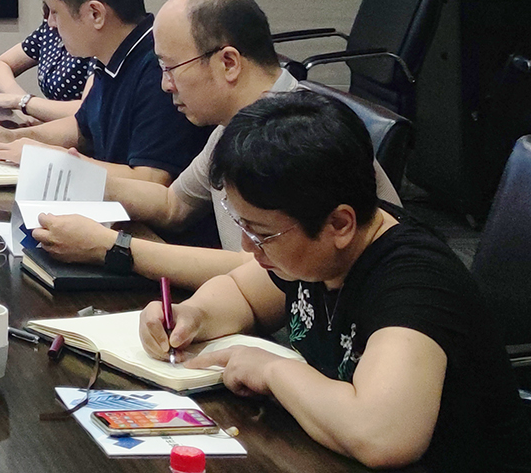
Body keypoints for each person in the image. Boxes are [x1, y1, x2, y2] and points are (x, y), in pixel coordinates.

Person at [141, 92, 531, 470]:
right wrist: (192, 315)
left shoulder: (415, 283)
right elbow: (242, 293)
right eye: (243, 225)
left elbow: (383, 436)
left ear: (340, 224)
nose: (247, 245)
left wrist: (272, 370)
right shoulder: (315, 251)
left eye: (262, 233)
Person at [27, 0, 399, 288]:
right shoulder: (234, 126)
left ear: (228, 63)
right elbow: (174, 205)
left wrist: (111, 247)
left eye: (170, 68)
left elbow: (260, 271)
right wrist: (84, 177)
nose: (165, 85)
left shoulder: (295, 137)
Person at [0, 0, 205, 186]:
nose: (51, 23)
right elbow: (83, 128)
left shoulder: (158, 69)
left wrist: (43, 157)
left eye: (55, 11)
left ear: (95, 14)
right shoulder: (111, 56)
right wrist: (12, 137)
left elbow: (151, 179)